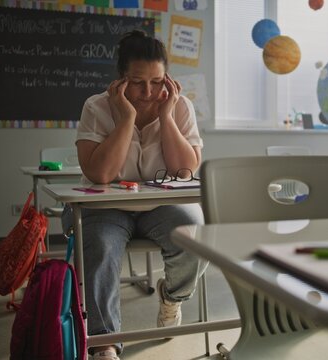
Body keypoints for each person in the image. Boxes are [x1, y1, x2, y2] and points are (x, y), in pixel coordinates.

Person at [62, 30, 205, 360]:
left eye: (157, 82)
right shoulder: (97, 106)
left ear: (167, 79)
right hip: (106, 206)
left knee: (195, 232)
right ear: (120, 79)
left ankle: (171, 298)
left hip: (160, 205)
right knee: (98, 244)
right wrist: (125, 117)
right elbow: (100, 175)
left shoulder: (180, 107)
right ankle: (105, 342)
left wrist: (167, 116)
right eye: (138, 82)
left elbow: (185, 170)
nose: (148, 92)